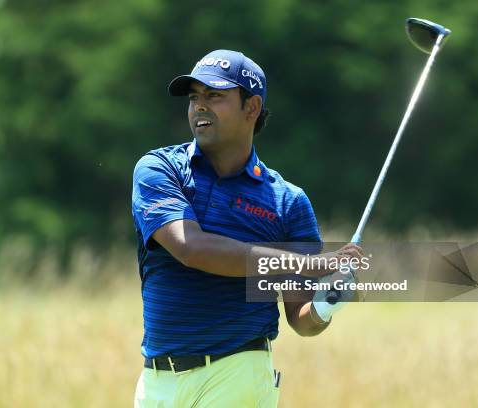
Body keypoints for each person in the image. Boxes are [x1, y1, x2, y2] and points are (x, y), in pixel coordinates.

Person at [131, 49, 362, 407]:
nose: (199, 107)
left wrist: (329, 302)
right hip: (157, 382)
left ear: (251, 108)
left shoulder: (287, 202)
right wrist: (309, 264)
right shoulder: (160, 168)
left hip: (237, 374)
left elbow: (301, 318)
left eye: (215, 96)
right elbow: (191, 248)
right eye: (194, 97)